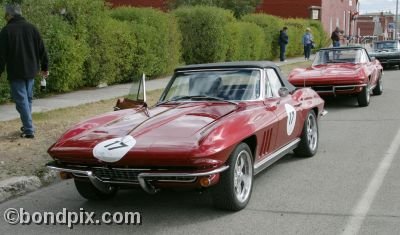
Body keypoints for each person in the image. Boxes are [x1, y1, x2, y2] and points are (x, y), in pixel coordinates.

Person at [0, 4, 49, 138]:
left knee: (22, 101)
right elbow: (42, 50)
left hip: (16, 72)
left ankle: (28, 130)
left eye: (6, 15)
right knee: (27, 100)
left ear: (10, 15)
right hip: (31, 70)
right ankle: (28, 125)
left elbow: (1, 56)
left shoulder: (6, 31)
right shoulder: (32, 28)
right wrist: (45, 67)